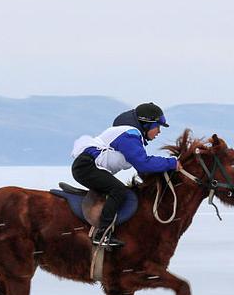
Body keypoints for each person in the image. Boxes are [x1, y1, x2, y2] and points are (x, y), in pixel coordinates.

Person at [70, 102, 182, 249]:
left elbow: (142, 167)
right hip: (87, 167)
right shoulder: (129, 135)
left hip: (88, 166)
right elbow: (143, 163)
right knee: (118, 190)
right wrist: (172, 163)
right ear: (146, 124)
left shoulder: (131, 135)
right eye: (157, 126)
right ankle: (101, 235)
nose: (159, 131)